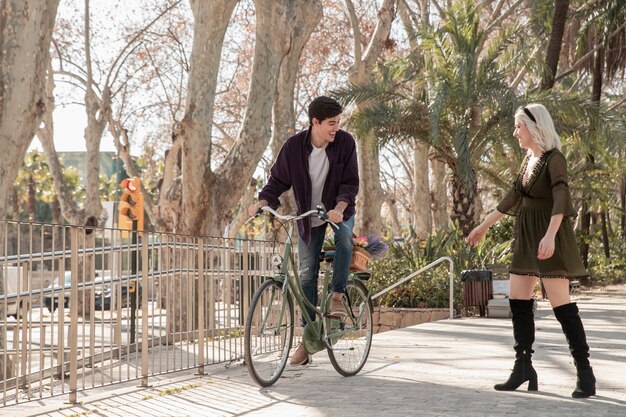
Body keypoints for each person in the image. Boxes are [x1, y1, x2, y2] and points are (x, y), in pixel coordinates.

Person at [467, 103, 596, 398]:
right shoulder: (529, 162)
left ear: (534, 127)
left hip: (549, 236)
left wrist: (550, 236)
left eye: (518, 126)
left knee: (562, 306)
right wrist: (484, 226)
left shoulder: (554, 159)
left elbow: (561, 198)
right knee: (518, 300)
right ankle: (523, 367)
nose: (515, 133)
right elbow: (512, 196)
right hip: (526, 236)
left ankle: (585, 373)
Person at [248, 96, 359, 366]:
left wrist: (339, 208)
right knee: (307, 277)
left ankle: (337, 296)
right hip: (308, 218)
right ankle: (308, 342)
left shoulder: (345, 143)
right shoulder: (293, 147)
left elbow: (350, 183)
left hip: (337, 212)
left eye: (338, 123)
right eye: (331, 123)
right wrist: (263, 202)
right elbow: (277, 181)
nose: (336, 128)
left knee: (344, 236)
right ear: (315, 122)